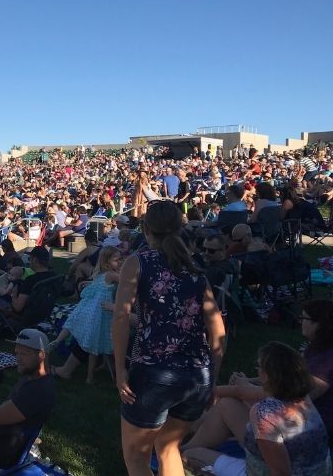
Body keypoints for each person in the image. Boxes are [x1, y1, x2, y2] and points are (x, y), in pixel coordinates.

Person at [112, 200, 225, 476]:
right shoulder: (195, 270)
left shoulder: (138, 262)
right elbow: (219, 331)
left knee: (136, 459)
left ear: (147, 230)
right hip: (198, 374)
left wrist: (119, 369)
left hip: (155, 372)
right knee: (168, 446)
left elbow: (121, 318)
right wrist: (212, 378)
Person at [182, 299, 333, 454]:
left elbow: (289, 393)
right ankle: (183, 434)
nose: (301, 322)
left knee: (227, 405)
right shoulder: (315, 349)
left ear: (319, 324)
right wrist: (247, 382)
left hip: (295, 435)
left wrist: (232, 389)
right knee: (228, 403)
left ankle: (181, 450)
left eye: (304, 319)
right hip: (288, 425)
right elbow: (285, 380)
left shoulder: (327, 362)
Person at [183, 341, 332, 476]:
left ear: (268, 375)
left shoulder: (264, 413)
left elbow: (281, 473)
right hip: (314, 469)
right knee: (227, 404)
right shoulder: (302, 397)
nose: (258, 371)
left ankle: (175, 453)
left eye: (259, 367)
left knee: (191, 454)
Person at [51, 246, 122, 383]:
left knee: (77, 325)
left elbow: (104, 282)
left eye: (121, 259)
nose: (120, 261)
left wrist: (88, 282)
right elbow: (126, 281)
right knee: (91, 338)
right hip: (101, 312)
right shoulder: (110, 275)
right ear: (107, 262)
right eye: (117, 259)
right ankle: (96, 371)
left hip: (95, 311)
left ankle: (57, 342)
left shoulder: (102, 274)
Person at [0, 329, 57, 469]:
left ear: (41, 355)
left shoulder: (37, 390)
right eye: (17, 353)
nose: (18, 358)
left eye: (24, 354)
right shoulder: (33, 378)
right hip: (3, 440)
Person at [0, 245, 56, 340]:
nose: (29, 261)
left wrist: (13, 293)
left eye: (30, 258)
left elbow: (17, 307)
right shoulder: (54, 276)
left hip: (26, 317)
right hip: (44, 313)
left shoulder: (31, 280)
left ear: (35, 260)